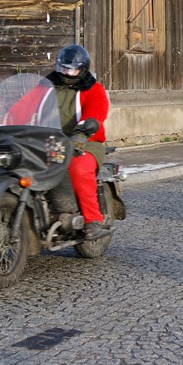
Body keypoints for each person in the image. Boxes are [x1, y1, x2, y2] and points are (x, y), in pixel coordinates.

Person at [46, 44, 110, 241]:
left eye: (71, 69)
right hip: (49, 140)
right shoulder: (45, 86)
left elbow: (96, 112)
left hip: (85, 140)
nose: (66, 73)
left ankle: (92, 221)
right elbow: (26, 105)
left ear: (82, 69)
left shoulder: (93, 89)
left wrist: (82, 131)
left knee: (79, 168)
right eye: (63, 68)